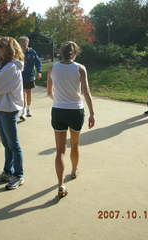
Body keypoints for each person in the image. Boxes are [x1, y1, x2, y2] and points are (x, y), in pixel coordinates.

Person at [47, 41, 95, 198]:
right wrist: (92, 113)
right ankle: (74, 171)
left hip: (58, 110)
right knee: (74, 144)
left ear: (61, 52)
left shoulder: (52, 68)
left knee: (60, 150)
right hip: (76, 111)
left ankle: (61, 184)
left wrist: (58, 99)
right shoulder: (80, 68)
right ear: (75, 53)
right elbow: (86, 92)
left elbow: (49, 92)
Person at [0, 37, 25, 190]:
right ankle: (8, 172)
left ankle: (19, 175)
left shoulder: (11, 67)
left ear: (8, 49)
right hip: (0, 108)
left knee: (13, 144)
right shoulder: (2, 66)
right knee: (6, 143)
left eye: (0, 46)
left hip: (8, 109)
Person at [18, 36, 42, 120]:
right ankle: (23, 111)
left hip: (30, 76)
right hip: (20, 76)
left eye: (25, 42)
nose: (23, 44)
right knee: (23, 93)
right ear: (19, 43)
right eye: (21, 42)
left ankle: (28, 108)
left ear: (28, 43)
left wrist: (39, 71)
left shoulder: (32, 52)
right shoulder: (17, 52)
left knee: (28, 92)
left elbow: (38, 62)